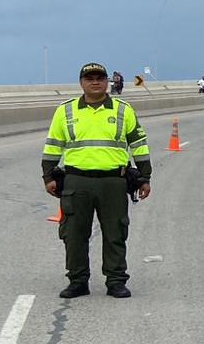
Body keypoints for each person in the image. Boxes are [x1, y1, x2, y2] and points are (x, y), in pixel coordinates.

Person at [41, 62, 152, 299]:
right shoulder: (66, 110)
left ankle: (116, 281)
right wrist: (49, 175)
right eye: (89, 78)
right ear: (81, 83)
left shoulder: (123, 110)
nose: (95, 82)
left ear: (107, 82)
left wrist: (144, 177)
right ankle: (78, 281)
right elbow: (53, 145)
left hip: (113, 182)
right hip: (76, 182)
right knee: (73, 234)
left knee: (115, 232)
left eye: (100, 78)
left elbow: (139, 145)